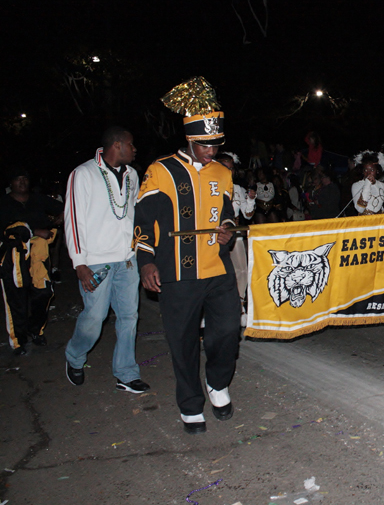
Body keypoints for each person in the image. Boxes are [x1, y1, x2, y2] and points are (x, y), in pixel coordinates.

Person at [135, 77, 241, 434]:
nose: (211, 152)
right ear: (190, 139)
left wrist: (227, 228)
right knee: (182, 342)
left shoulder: (223, 173)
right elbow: (143, 220)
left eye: (216, 145)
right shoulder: (160, 171)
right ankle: (190, 404)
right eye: (205, 146)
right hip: (176, 272)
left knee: (227, 332)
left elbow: (228, 212)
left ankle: (218, 382)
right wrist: (146, 261)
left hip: (217, 268)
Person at [62, 127, 148, 391]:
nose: (135, 150)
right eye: (131, 145)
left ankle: (126, 372)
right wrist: (79, 262)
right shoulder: (83, 174)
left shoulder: (132, 175)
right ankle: (74, 357)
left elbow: (134, 214)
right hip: (96, 261)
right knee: (95, 317)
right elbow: (73, 220)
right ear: (117, 145)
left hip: (127, 260)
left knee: (129, 317)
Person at [0, 168, 63, 355]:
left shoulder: (38, 199)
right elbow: (10, 230)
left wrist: (61, 216)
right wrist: (34, 231)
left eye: (25, 179)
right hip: (13, 256)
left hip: (39, 254)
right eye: (17, 179)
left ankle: (35, 330)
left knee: (43, 292)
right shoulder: (3, 203)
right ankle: (18, 341)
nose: (22, 182)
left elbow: (65, 206)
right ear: (10, 183)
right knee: (16, 298)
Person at [216, 152, 256, 326]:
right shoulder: (211, 186)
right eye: (225, 167)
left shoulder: (238, 189)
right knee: (217, 273)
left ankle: (240, 307)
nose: (229, 171)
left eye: (231, 168)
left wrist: (251, 200)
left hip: (236, 237)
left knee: (241, 271)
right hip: (216, 237)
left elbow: (248, 215)